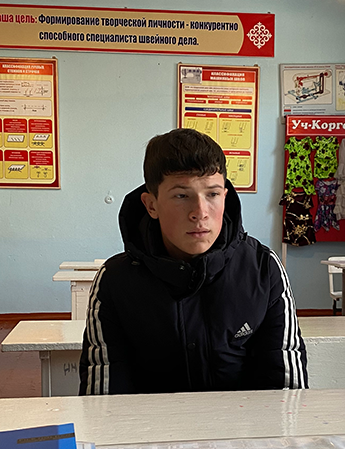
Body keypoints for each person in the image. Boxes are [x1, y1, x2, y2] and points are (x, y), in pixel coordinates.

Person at [79, 128, 308, 395]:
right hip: (148, 433)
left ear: (225, 194)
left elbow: (286, 390)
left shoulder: (263, 269)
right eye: (181, 195)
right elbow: (104, 398)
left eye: (212, 194)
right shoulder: (115, 281)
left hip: (244, 432)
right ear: (151, 205)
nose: (200, 213)